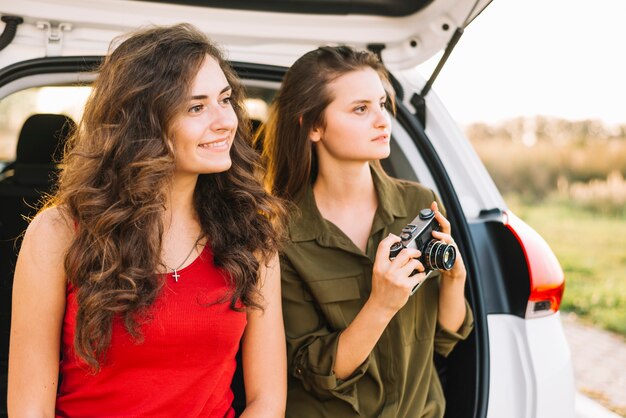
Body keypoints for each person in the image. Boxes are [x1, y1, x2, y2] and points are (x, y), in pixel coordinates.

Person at [8, 24, 287, 417]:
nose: (225, 120)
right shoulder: (58, 233)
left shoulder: (252, 234)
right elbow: (28, 410)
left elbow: (267, 401)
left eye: (225, 99)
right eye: (196, 107)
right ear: (143, 124)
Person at [259, 45, 474, 417]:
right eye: (361, 109)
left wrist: (455, 279)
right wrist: (381, 304)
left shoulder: (418, 204)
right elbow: (313, 370)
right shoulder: (280, 234)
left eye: (381, 103)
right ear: (313, 126)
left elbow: (444, 340)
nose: (383, 120)